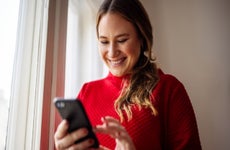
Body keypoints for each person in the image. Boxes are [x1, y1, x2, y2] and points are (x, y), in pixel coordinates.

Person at [54, 0, 202, 149]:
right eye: (104, 41)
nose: (112, 52)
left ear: (142, 38)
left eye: (122, 40)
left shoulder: (169, 89)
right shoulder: (87, 92)